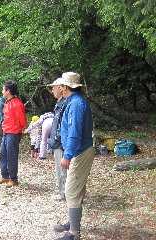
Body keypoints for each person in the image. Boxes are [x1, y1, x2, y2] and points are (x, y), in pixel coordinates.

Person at [53, 72, 95, 240]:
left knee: (72, 191)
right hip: (78, 151)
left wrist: (68, 155)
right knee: (75, 190)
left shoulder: (76, 104)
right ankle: (73, 223)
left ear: (65, 87)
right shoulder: (73, 102)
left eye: (61, 85)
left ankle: (74, 234)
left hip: (80, 152)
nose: (58, 87)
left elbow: (74, 133)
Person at [0, 81, 27, 188]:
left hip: (13, 133)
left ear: (8, 91)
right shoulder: (7, 102)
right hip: (6, 132)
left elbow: (22, 120)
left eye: (3, 89)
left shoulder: (17, 104)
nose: (2, 91)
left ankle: (13, 178)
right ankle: (5, 175)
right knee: (3, 154)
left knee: (11, 156)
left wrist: (20, 130)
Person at [47, 79, 67, 201]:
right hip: (58, 142)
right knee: (61, 169)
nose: (52, 90)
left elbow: (62, 126)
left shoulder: (64, 104)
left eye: (53, 87)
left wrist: (56, 138)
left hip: (61, 143)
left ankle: (63, 193)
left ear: (61, 88)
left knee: (62, 169)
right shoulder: (59, 103)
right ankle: (63, 192)